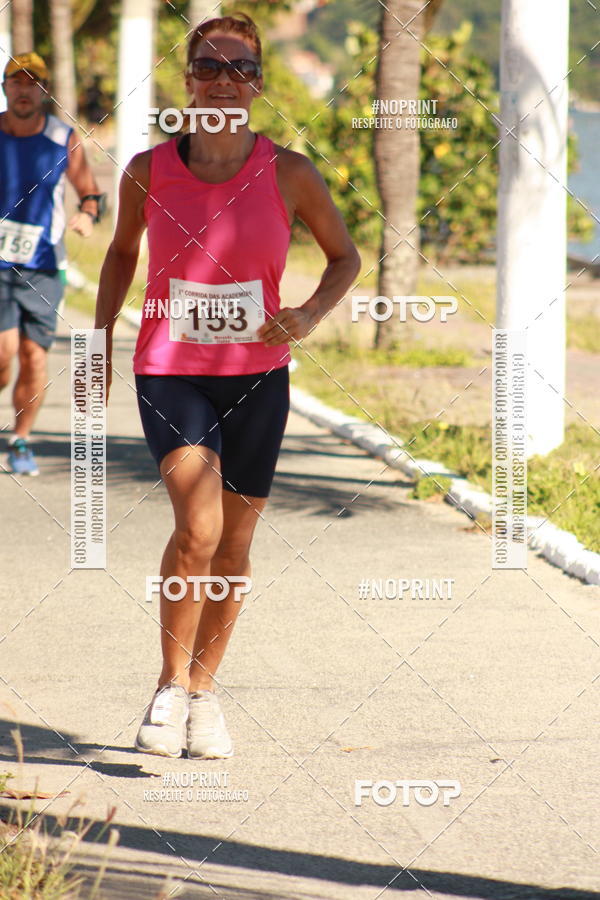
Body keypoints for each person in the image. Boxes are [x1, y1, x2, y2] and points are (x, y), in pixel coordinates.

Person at [94, 13, 361, 759]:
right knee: (200, 529)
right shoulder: (149, 170)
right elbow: (119, 254)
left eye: (240, 69)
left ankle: (204, 695)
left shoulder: (290, 172)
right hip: (171, 369)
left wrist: (308, 312)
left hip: (258, 380)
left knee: (236, 545)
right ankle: (168, 687)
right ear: (188, 81)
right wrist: (97, 341)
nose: (223, 81)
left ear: (259, 85)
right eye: (209, 67)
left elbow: (345, 257)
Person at [0, 52, 104, 476]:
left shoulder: (63, 138)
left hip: (44, 265)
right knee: (3, 354)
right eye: (17, 81)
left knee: (34, 357)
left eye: (33, 83)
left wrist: (88, 215)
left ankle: (21, 439)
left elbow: (89, 191)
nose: (24, 90)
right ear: (6, 88)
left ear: (44, 91)